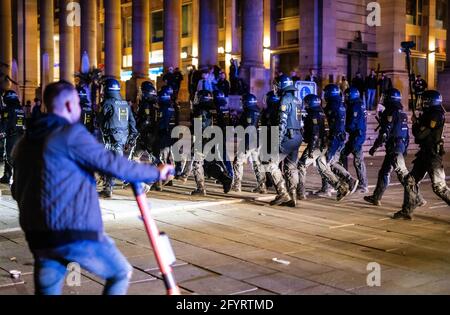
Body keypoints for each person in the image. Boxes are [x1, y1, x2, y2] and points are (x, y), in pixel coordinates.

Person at [11, 81, 174, 295]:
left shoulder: (25, 142)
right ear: (70, 105)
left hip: (38, 236)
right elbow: (113, 163)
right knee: (120, 272)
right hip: (74, 233)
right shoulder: (69, 134)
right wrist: (155, 172)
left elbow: (16, 189)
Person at [393, 90, 450, 220]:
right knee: (410, 181)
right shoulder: (429, 113)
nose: (422, 103)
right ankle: (407, 210)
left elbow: (420, 134)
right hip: (424, 153)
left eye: (424, 101)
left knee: (439, 188)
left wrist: (415, 123)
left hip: (432, 156)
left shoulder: (435, 115)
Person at [297, 94, 351, 202]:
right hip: (323, 145)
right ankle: (341, 188)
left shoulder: (313, 114)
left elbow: (315, 133)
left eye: (307, 103)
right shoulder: (321, 113)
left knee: (301, 165)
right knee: (324, 169)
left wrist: (311, 149)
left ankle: (300, 192)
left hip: (316, 145)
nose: (305, 105)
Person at [364, 88, 411, 207]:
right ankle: (376, 197)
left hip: (394, 148)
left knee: (403, 175)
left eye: (385, 97)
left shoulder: (390, 112)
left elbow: (384, 133)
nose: (383, 99)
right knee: (384, 172)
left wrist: (374, 147)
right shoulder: (402, 113)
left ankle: (415, 197)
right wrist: (405, 149)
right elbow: (406, 133)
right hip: (398, 146)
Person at [266, 75, 303, 207]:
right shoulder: (297, 100)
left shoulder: (284, 99)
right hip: (297, 136)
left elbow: (282, 122)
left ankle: (283, 194)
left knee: (271, 164)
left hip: (287, 137)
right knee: (291, 167)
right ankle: (292, 196)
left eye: (277, 85)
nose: (275, 88)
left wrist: (278, 142)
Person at [99, 78, 138, 198]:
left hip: (110, 138)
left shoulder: (108, 103)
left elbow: (100, 120)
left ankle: (108, 189)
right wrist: (132, 135)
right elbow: (132, 122)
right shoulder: (125, 104)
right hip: (122, 138)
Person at [318, 84, 359, 197]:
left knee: (325, 163)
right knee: (333, 162)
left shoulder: (332, 106)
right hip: (340, 138)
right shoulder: (340, 105)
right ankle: (349, 180)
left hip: (334, 139)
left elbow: (327, 122)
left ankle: (331, 187)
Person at [191, 89, 232, 196]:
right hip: (214, 139)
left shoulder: (200, 110)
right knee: (208, 165)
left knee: (197, 163)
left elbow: (199, 127)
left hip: (204, 140)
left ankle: (201, 188)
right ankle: (225, 179)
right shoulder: (215, 107)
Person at [231, 94, 267, 194]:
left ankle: (237, 185)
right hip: (258, 141)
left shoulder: (249, 113)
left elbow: (249, 129)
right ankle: (262, 186)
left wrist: (246, 145)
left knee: (238, 161)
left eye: (243, 101)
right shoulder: (258, 111)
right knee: (256, 163)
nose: (242, 103)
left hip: (250, 140)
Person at [340, 87, 369, 193]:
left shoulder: (355, 106)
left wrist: (345, 128)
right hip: (357, 135)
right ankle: (347, 179)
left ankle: (362, 184)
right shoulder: (359, 104)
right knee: (344, 155)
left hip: (357, 136)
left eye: (347, 96)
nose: (345, 98)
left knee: (358, 160)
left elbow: (352, 122)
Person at [0, 90, 25, 184]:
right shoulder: (20, 108)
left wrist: (1, 131)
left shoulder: (8, 109)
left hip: (11, 136)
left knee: (9, 157)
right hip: (20, 135)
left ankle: (16, 177)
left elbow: (5, 122)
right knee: (15, 155)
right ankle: (7, 175)